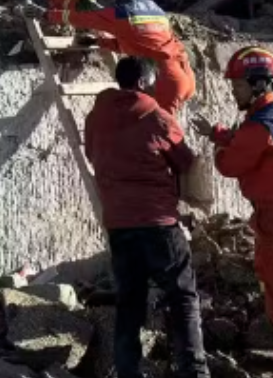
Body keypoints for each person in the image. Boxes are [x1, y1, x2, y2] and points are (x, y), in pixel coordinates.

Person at [193, 47, 273, 378]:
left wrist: (219, 147)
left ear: (259, 84)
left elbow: (232, 163)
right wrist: (219, 133)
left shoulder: (260, 125)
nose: (233, 91)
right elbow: (252, 140)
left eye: (238, 86)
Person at [85, 57, 210, 378]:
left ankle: (127, 371)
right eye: (153, 83)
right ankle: (193, 372)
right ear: (142, 83)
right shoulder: (158, 118)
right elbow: (185, 161)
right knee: (182, 298)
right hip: (159, 224)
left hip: (119, 225)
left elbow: (91, 153)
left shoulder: (96, 116)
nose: (156, 89)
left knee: (129, 303)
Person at [46, 0, 195, 115]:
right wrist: (99, 42)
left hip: (166, 81)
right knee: (157, 131)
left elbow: (84, 18)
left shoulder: (123, 13)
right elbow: (139, 44)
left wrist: (48, 15)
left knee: (157, 134)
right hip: (185, 74)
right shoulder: (156, 10)